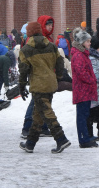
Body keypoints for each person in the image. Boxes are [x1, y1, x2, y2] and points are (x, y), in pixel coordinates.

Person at [18, 21, 71, 154]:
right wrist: (58, 76)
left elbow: (23, 70)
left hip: (38, 85)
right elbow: (60, 62)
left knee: (46, 112)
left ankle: (61, 139)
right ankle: (30, 144)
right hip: (50, 83)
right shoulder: (52, 46)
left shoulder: (26, 50)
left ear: (29, 33)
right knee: (38, 114)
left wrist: (22, 85)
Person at [70, 28, 99, 148]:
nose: (90, 43)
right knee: (82, 115)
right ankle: (83, 139)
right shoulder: (79, 55)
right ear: (82, 43)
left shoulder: (82, 54)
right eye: (87, 41)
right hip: (82, 90)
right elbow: (82, 72)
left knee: (85, 114)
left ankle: (86, 137)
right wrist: (92, 80)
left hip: (84, 90)